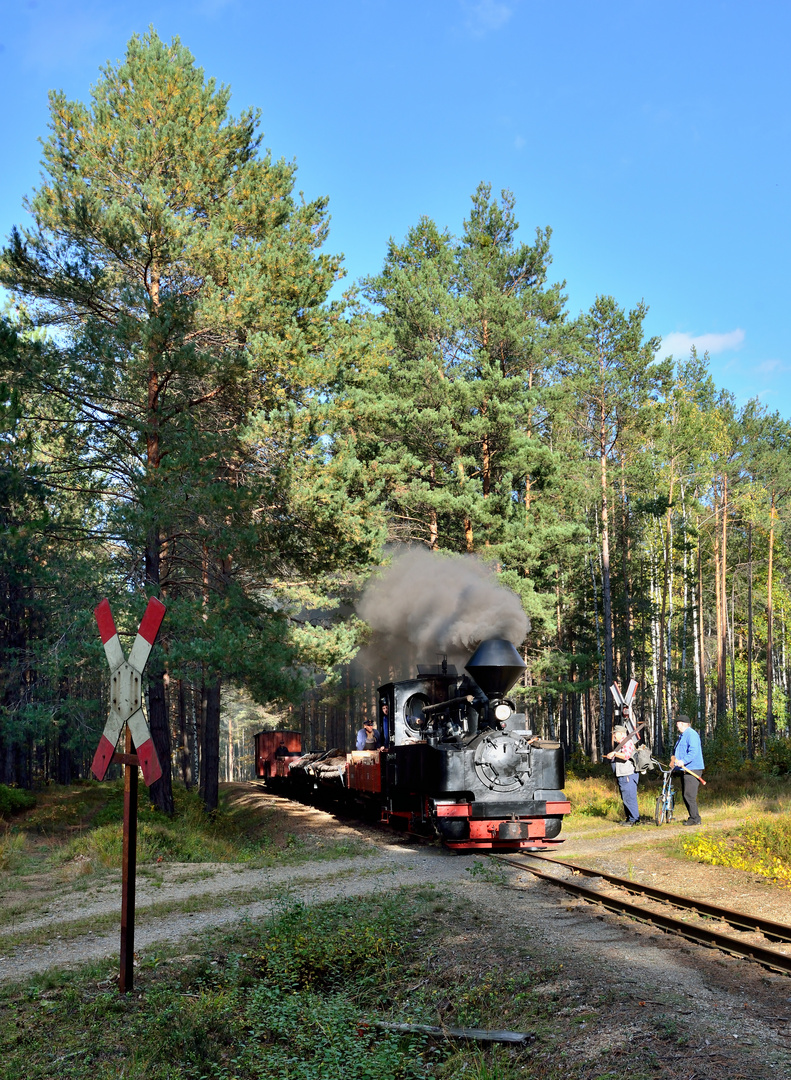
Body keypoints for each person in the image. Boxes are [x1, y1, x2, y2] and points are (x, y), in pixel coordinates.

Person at [669, 714, 705, 825]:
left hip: (693, 769)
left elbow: (693, 752)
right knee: (686, 795)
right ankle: (694, 817)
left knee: (689, 795)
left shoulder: (692, 735)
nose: (676, 726)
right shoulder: (682, 736)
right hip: (683, 769)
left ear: (684, 724)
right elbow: (678, 753)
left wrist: (683, 761)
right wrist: (673, 764)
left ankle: (695, 819)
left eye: (678, 724)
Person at [604, 724, 641, 826]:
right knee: (626, 797)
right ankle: (629, 818)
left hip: (628, 775)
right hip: (623, 775)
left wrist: (614, 754)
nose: (614, 736)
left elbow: (626, 755)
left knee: (629, 797)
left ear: (621, 734)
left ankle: (634, 819)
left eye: (615, 734)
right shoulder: (622, 743)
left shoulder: (627, 742)